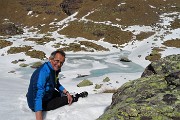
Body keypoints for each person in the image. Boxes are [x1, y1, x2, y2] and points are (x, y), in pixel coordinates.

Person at [27, 50, 88, 120]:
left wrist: (66, 93)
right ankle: (76, 97)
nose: (59, 64)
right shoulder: (43, 72)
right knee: (63, 100)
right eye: (57, 61)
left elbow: (56, 83)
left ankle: (69, 95)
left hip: (47, 93)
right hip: (36, 103)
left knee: (61, 94)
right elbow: (38, 97)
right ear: (50, 59)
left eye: (61, 63)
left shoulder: (53, 69)